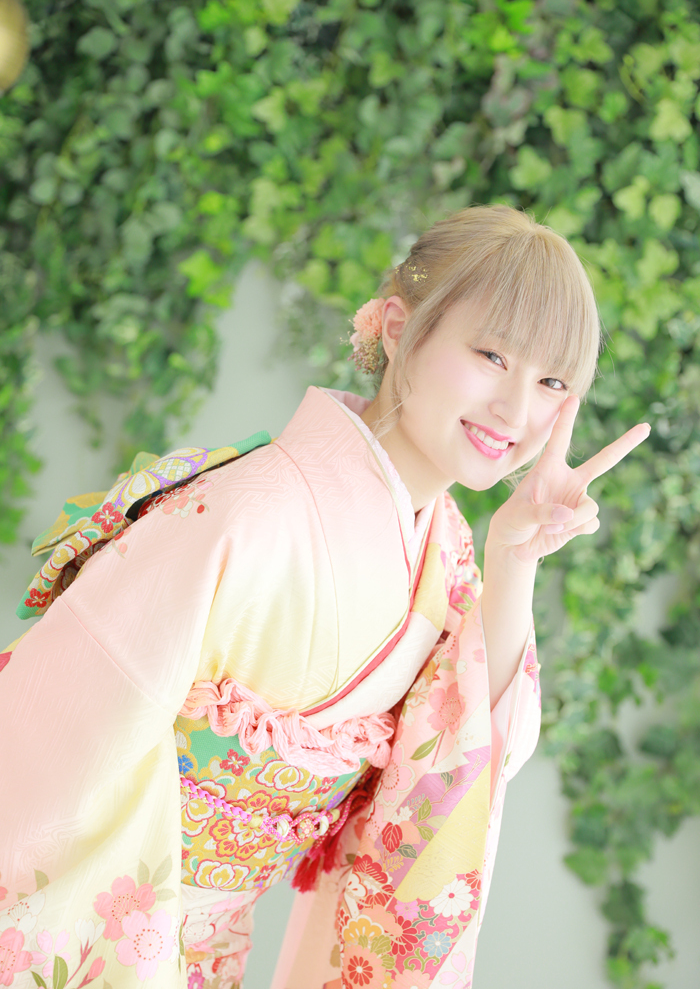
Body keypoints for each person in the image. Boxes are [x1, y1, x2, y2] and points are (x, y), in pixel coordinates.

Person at [0, 205, 649, 989]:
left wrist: (513, 563)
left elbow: (478, 755)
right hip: (119, 937)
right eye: (491, 355)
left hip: (213, 954)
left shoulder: (447, 554)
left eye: (552, 382)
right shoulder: (246, 512)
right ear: (400, 329)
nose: (517, 411)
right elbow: (51, 735)